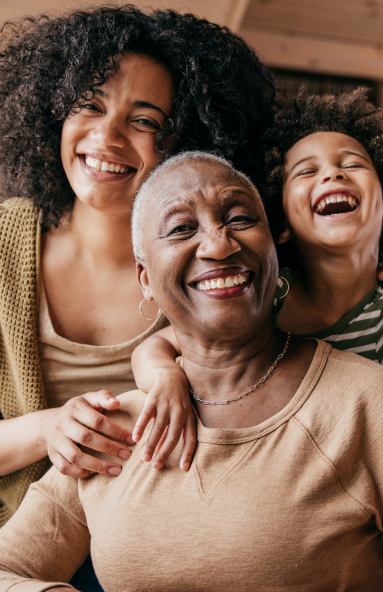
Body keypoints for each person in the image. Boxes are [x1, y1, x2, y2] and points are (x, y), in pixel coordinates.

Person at [1, 152, 383, 592]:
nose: (218, 244)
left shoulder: (368, 403)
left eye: (240, 218)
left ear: (272, 246)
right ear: (145, 280)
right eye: (181, 228)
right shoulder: (113, 428)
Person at [0, 4, 277, 524]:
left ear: (187, 139)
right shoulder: (3, 245)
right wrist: (50, 428)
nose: (107, 137)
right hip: (20, 537)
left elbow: (327, 295)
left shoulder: (219, 255)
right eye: (89, 106)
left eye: (145, 120)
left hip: (170, 533)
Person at [131, 88, 383, 449]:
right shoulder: (263, 298)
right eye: (307, 171)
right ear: (280, 224)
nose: (333, 175)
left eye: (353, 164)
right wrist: (165, 376)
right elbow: (153, 348)